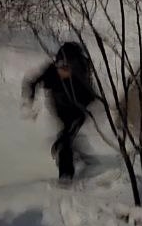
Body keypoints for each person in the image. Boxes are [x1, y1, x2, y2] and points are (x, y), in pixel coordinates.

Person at [24, 42, 102, 183]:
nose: (62, 70)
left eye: (66, 67)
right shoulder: (52, 71)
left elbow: (91, 96)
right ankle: (82, 158)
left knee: (66, 140)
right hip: (61, 112)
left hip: (78, 112)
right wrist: (29, 101)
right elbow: (32, 81)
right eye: (59, 66)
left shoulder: (79, 77)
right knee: (67, 137)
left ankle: (66, 175)